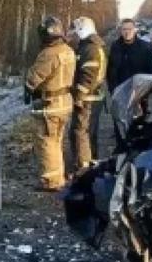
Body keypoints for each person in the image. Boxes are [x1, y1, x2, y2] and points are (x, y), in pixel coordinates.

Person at [24, 15, 76, 191]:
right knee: (57, 140)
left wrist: (28, 86)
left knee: (47, 142)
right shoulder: (68, 50)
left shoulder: (48, 54)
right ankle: (58, 176)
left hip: (50, 103)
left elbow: (34, 78)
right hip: (65, 102)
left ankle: (52, 181)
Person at [70, 16, 107, 172]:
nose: (74, 34)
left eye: (76, 31)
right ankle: (92, 164)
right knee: (89, 133)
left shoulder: (90, 49)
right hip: (92, 98)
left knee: (80, 133)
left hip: (87, 99)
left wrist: (78, 96)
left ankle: (83, 169)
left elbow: (88, 77)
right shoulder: (90, 46)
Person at [107, 18, 152, 92]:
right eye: (124, 29)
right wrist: (112, 89)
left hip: (139, 92)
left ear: (134, 30)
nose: (127, 32)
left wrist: (147, 91)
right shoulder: (115, 47)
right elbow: (110, 70)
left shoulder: (145, 47)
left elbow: (151, 71)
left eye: (130, 29)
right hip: (120, 92)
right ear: (121, 31)